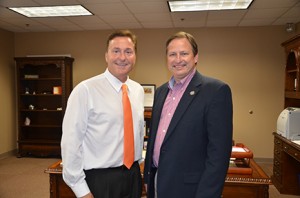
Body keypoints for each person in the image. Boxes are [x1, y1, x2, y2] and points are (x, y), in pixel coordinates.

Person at [143, 31, 233, 198]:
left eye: (184, 53)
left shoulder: (216, 91)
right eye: (172, 54)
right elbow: (155, 138)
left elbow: (219, 154)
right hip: (158, 182)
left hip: (191, 189)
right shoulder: (161, 92)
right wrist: (148, 176)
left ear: (196, 57)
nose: (178, 59)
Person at [61, 30, 145, 198]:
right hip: (100, 180)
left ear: (135, 56)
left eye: (128, 51)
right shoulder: (85, 90)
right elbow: (71, 143)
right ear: (106, 55)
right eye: (116, 51)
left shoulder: (137, 90)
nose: (122, 57)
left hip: (132, 176)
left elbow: (138, 132)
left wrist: (140, 165)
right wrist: (81, 190)